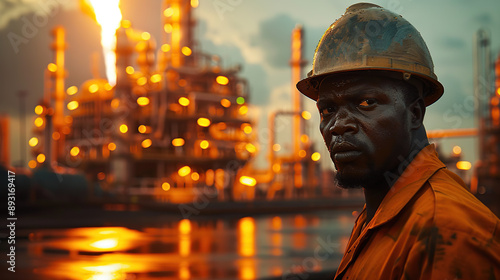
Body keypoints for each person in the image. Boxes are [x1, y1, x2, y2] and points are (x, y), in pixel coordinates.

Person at [297, 3, 500, 279]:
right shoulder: (380, 216)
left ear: (414, 113)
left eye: (366, 102)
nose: (337, 125)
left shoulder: (448, 233)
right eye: (328, 110)